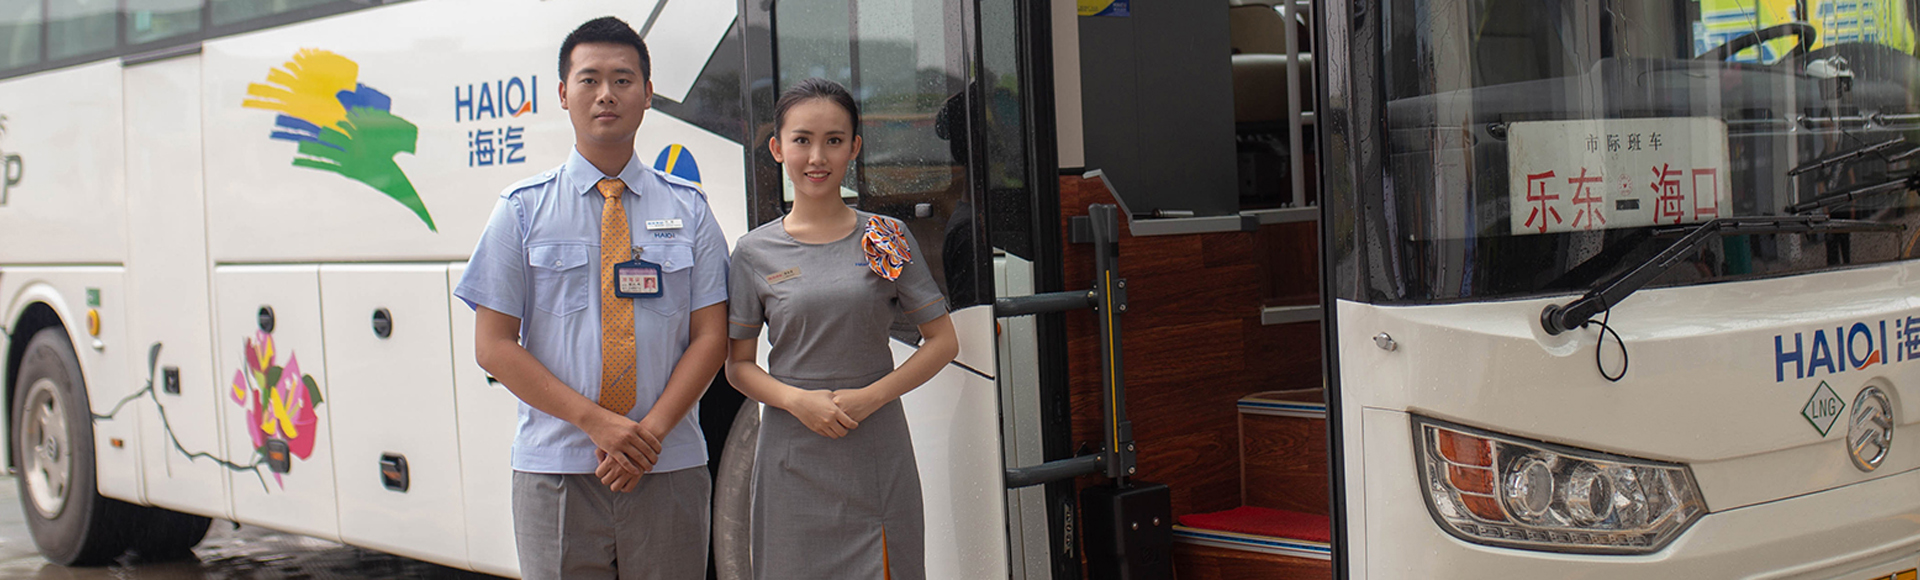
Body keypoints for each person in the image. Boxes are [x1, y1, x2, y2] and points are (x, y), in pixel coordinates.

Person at [455, 16, 729, 580]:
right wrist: (597, 424)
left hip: (668, 465)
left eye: (623, 80)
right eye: (590, 79)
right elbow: (494, 346)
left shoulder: (691, 209)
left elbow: (711, 336)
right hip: (557, 469)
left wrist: (647, 436)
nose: (606, 94)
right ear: (563, 94)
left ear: (648, 94)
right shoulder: (522, 210)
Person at [725, 78, 959, 580]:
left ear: (854, 147)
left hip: (875, 449)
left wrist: (871, 397)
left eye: (833, 140)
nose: (817, 157)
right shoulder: (752, 253)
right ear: (777, 148)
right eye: (802, 140)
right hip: (791, 453)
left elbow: (943, 341)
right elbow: (738, 366)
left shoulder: (885, 236)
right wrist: (795, 401)